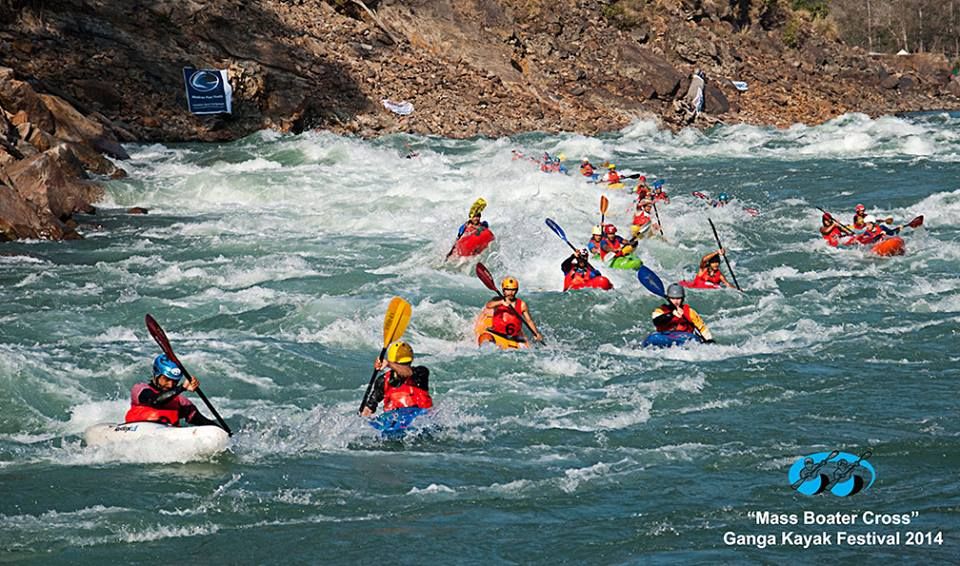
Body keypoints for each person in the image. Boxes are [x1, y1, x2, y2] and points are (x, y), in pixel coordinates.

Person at [124, 354, 218, 426]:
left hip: (166, 439)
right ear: (156, 375)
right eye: (167, 379)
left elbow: (201, 420)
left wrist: (221, 430)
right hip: (137, 433)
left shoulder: (180, 401)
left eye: (175, 381)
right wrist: (182, 388)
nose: (170, 385)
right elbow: (154, 401)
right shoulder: (139, 389)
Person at [360, 341, 432, 417]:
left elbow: (407, 372)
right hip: (394, 418)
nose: (405, 366)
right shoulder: (383, 381)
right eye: (402, 364)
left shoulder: (421, 372)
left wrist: (388, 363)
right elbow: (370, 406)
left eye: (407, 363)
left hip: (421, 417)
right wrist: (363, 417)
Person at [484, 276, 543, 343]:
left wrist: (536, 333)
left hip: (513, 337)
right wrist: (501, 302)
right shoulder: (498, 300)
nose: (511, 292)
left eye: (513, 290)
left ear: (516, 290)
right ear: (503, 290)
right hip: (496, 333)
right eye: (507, 290)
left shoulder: (521, 304)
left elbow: (529, 321)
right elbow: (488, 305)